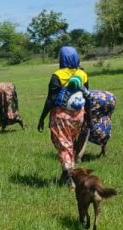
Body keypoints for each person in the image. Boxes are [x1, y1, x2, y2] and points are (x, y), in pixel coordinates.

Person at [37, 46, 89, 187]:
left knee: (63, 146)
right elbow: (87, 96)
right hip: (78, 116)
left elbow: (51, 99)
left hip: (61, 117)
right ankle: (65, 174)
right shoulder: (82, 74)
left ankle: (71, 179)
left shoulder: (57, 76)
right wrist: (88, 117)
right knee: (68, 144)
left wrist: (42, 118)